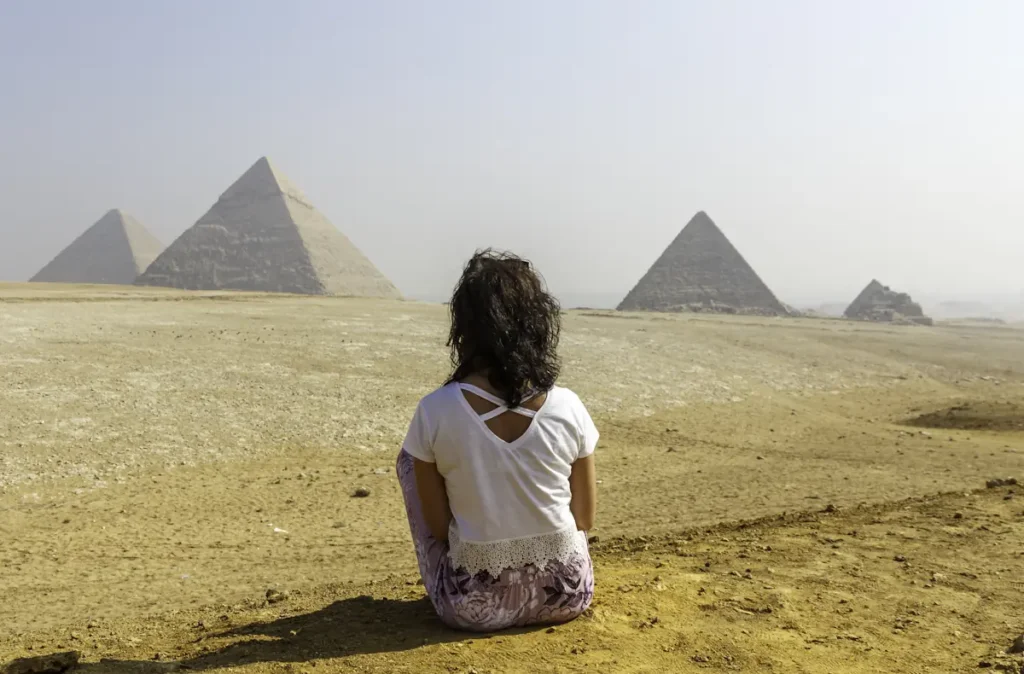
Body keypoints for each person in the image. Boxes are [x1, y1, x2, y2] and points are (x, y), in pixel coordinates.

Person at [396, 249, 599, 632]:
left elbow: (437, 529)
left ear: (465, 328)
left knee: (411, 457)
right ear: (538, 322)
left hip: (471, 606)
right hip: (567, 595)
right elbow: (584, 518)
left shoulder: (435, 409)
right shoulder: (569, 406)